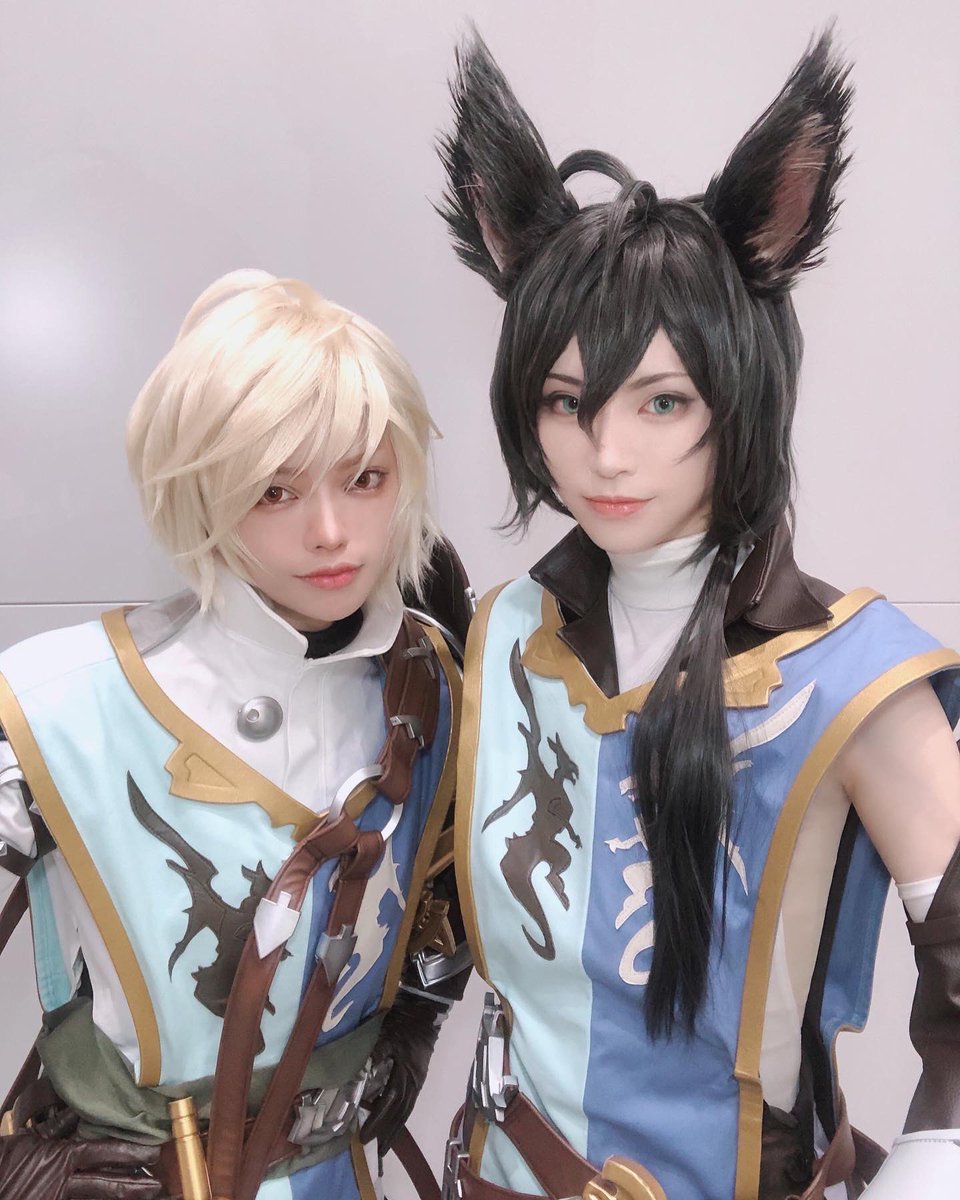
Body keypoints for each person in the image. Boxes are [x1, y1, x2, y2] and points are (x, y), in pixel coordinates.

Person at [436, 30, 960, 1200]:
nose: (606, 453)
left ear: (741, 393)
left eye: (663, 402)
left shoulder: (855, 677)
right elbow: (426, 937)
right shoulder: (500, 636)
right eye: (564, 403)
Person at [0, 270, 470, 1199]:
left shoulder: (434, 683)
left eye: (365, 479)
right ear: (201, 490)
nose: (331, 531)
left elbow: (449, 896)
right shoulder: (58, 704)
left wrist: (415, 1022)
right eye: (274, 490)